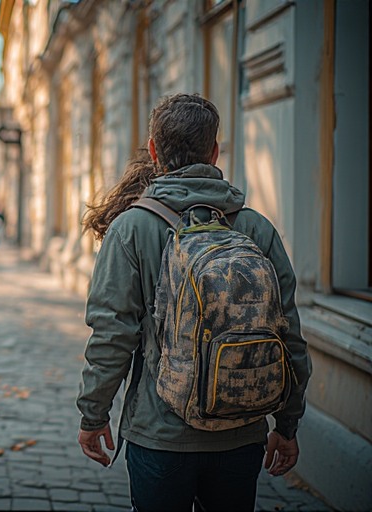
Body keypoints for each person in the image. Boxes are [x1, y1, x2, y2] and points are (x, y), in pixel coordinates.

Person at [76, 93, 311, 511]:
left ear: (153, 152)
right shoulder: (256, 228)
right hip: (242, 433)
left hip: (159, 435)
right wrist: (287, 424)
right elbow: (288, 333)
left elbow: (112, 335)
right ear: (214, 151)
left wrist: (94, 415)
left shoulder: (132, 228)